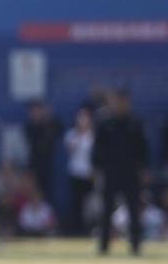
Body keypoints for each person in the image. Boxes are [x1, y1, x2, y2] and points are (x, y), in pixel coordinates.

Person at [92, 88, 149, 255]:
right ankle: (103, 246)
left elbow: (143, 149)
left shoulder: (135, 122)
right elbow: (97, 149)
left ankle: (136, 245)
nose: (120, 104)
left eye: (123, 101)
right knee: (106, 210)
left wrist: (143, 170)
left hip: (130, 172)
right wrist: (96, 170)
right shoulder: (104, 122)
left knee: (133, 209)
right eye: (117, 101)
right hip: (110, 172)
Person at [23, 100, 62, 207]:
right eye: (32, 111)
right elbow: (37, 142)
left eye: (37, 111)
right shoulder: (30, 127)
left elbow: (59, 129)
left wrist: (49, 119)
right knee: (33, 192)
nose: (34, 114)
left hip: (47, 166)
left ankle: (46, 218)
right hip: (34, 165)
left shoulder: (50, 124)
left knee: (48, 192)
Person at [63, 107, 95, 235]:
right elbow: (71, 149)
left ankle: (88, 228)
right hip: (75, 174)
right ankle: (76, 229)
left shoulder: (93, 135)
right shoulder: (71, 134)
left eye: (85, 117)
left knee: (89, 204)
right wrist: (80, 134)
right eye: (80, 117)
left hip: (89, 175)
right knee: (76, 203)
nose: (83, 120)